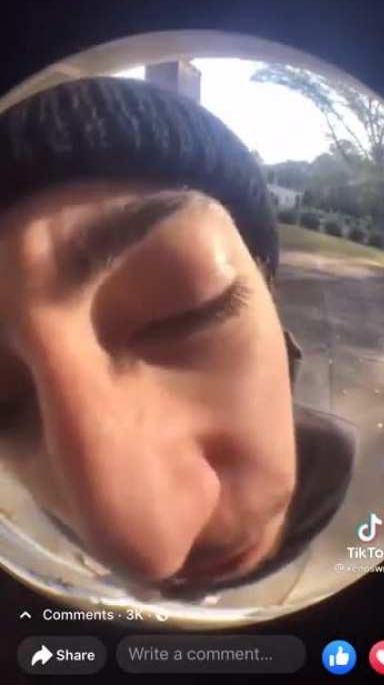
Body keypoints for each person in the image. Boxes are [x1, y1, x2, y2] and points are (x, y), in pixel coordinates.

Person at [0, 76, 354, 599]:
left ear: (267, 285)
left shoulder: (328, 467)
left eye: (184, 312)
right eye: (4, 409)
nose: (144, 549)